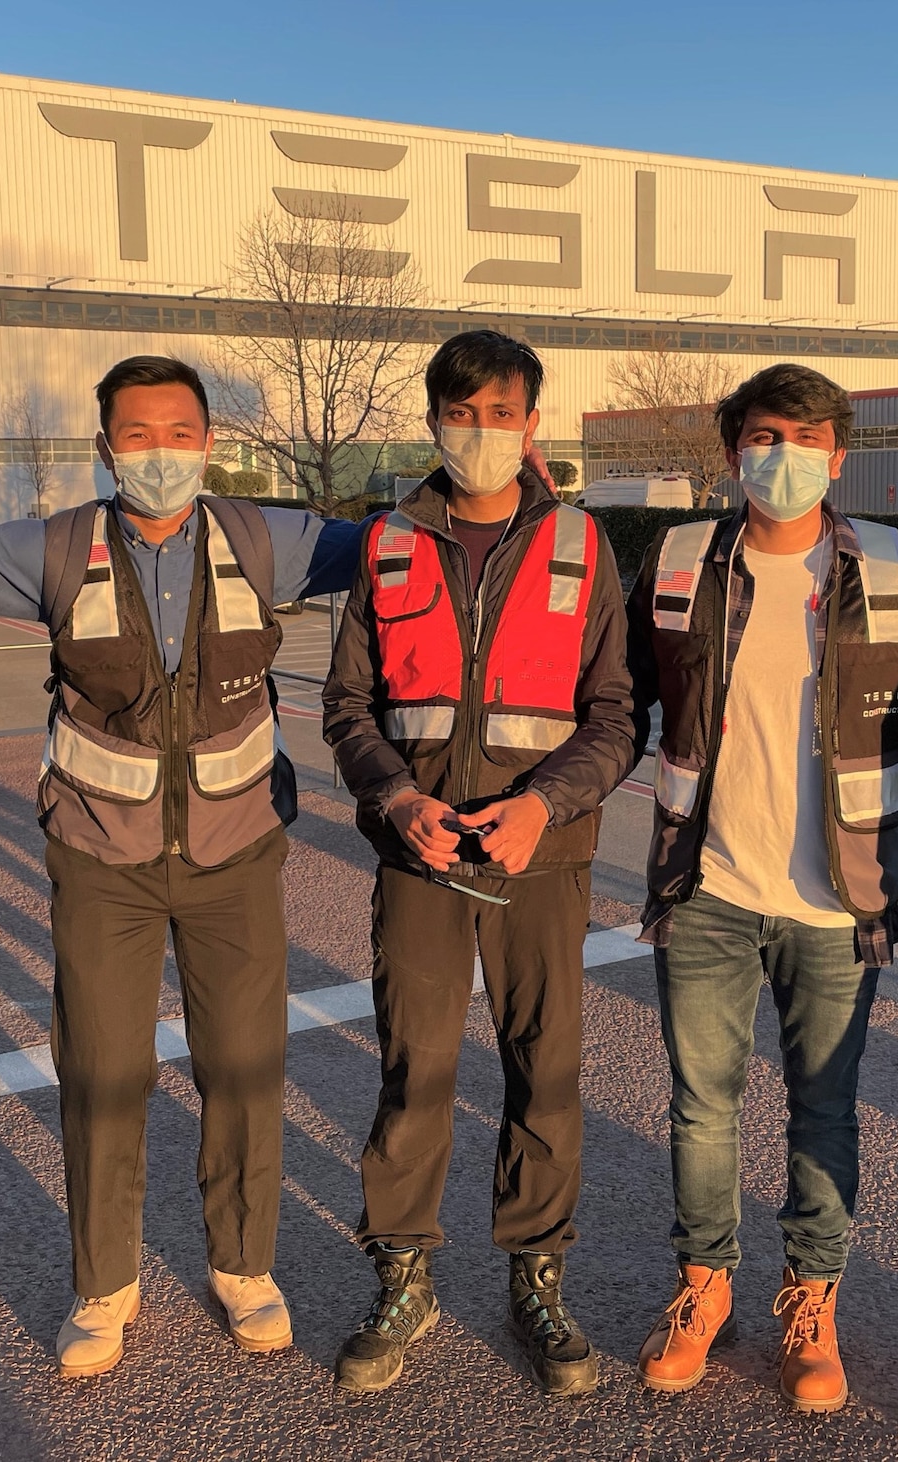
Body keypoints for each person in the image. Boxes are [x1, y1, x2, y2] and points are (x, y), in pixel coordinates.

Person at [0, 356, 361, 1377]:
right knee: (102, 1071)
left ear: (208, 441)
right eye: (136, 435)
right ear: (105, 450)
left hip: (235, 854)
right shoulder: (56, 550)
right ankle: (105, 1282)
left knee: (244, 1065)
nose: (160, 453)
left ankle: (243, 1265)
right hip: (103, 858)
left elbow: (395, 549)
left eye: (179, 431)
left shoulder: (263, 538)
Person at [623, 364, 898, 1412]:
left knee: (823, 1110)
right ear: (733, 447)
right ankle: (703, 1287)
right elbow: (613, 697)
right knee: (701, 1109)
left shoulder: (888, 561)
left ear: (839, 451)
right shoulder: (681, 555)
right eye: (765, 434)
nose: (785, 454)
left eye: (808, 435)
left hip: (839, 900)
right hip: (707, 889)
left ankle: (809, 1300)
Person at [321, 330, 637, 1396]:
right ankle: (401, 1268)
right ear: (433, 423)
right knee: (414, 1068)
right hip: (418, 853)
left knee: (542, 1069)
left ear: (531, 423)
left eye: (502, 414)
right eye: (462, 414)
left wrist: (542, 805)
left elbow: (612, 717)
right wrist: (392, 794)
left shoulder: (583, 547)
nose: (482, 433)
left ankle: (536, 1277)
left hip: (537, 860)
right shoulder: (385, 545)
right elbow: (346, 707)